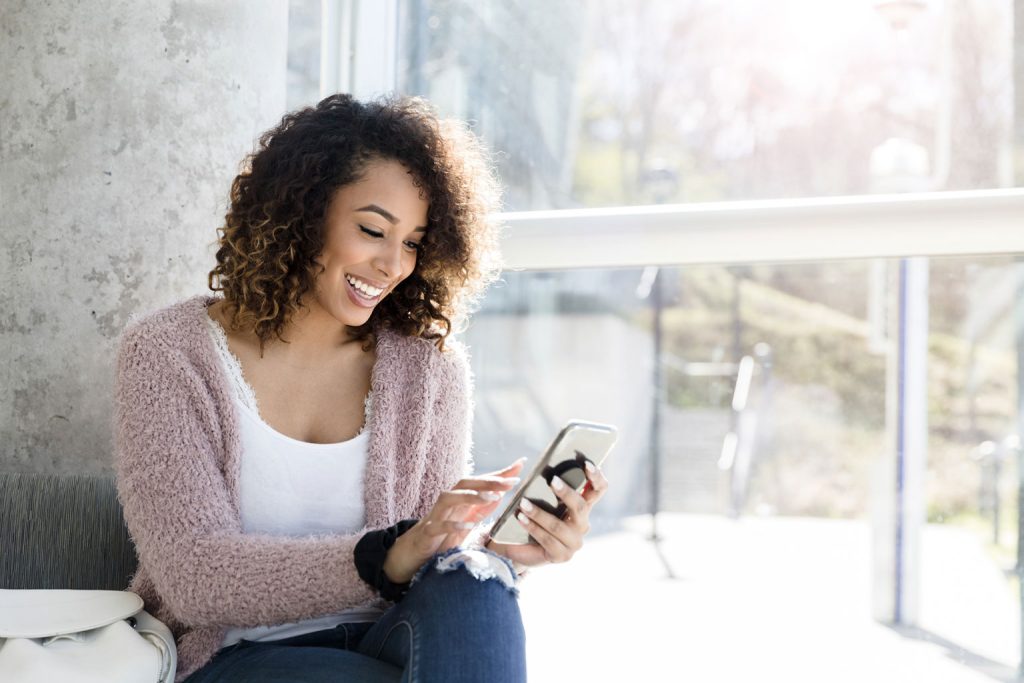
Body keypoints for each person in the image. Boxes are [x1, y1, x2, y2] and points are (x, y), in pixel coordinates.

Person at [113, 94, 609, 683]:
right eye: (373, 229)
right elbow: (194, 576)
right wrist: (379, 558)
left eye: (413, 242)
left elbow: (428, 554)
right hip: (232, 658)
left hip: (388, 638)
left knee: (476, 584)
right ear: (302, 211)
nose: (392, 265)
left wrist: (506, 553)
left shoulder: (428, 369)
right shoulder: (167, 354)